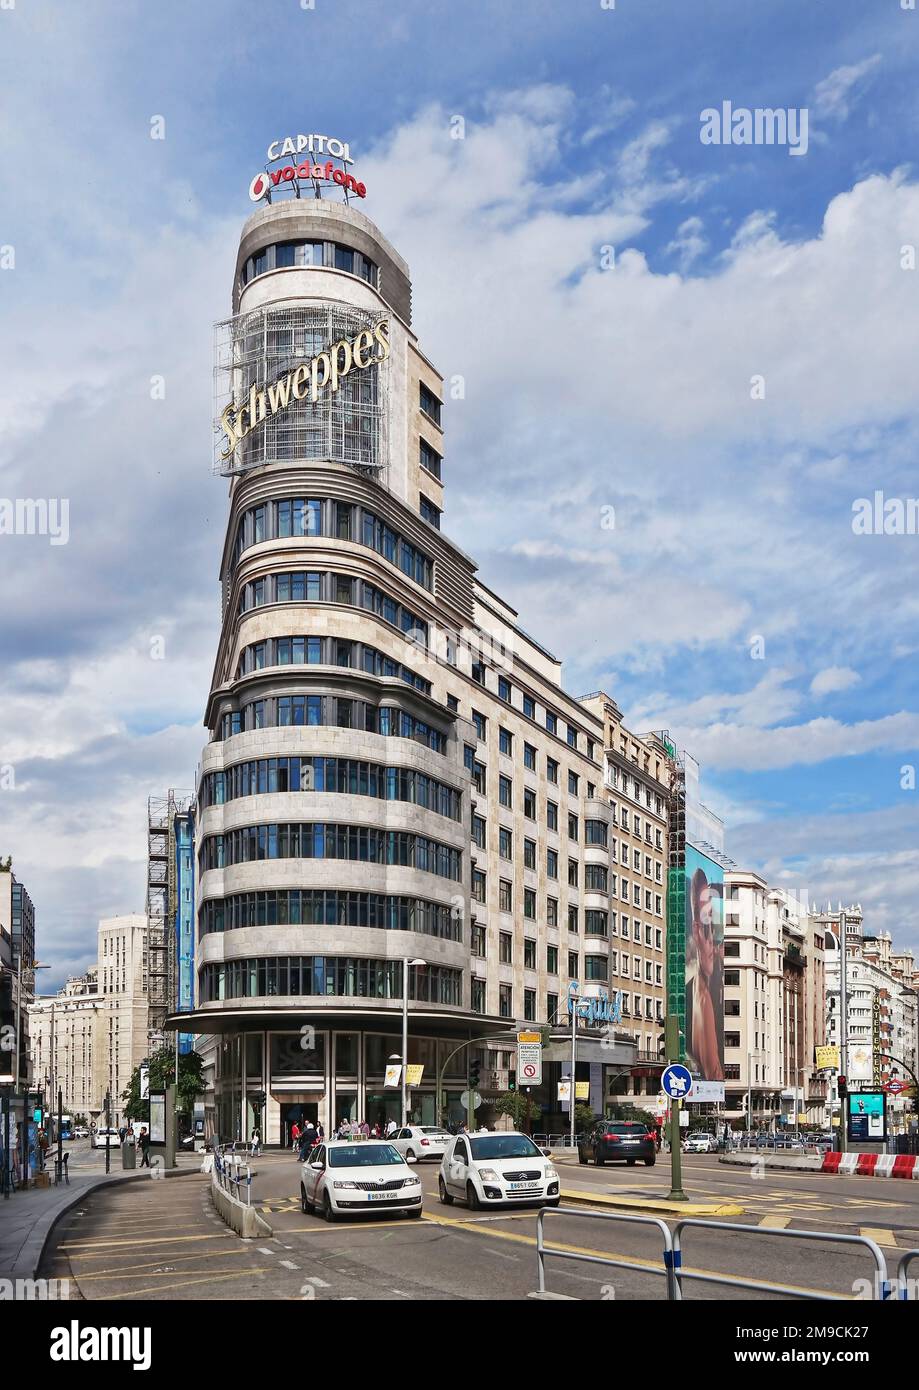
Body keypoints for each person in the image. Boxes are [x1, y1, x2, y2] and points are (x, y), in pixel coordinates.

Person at [685, 865, 725, 1082]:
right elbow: (715, 1076)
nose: (712, 942)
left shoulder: (710, 987)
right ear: (695, 930)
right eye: (707, 929)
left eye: (716, 929)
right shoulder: (702, 1000)